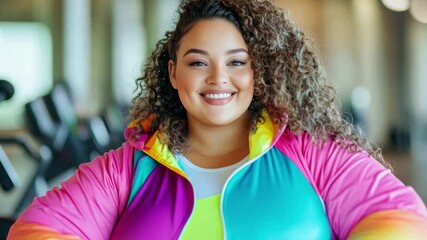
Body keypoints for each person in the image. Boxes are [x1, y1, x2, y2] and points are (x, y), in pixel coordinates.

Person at [7, 0, 427, 239]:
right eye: (197, 62)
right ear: (173, 73)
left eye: (236, 62)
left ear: (257, 71)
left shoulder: (313, 155)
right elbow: (36, 230)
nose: (217, 79)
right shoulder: (127, 168)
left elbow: (400, 216)